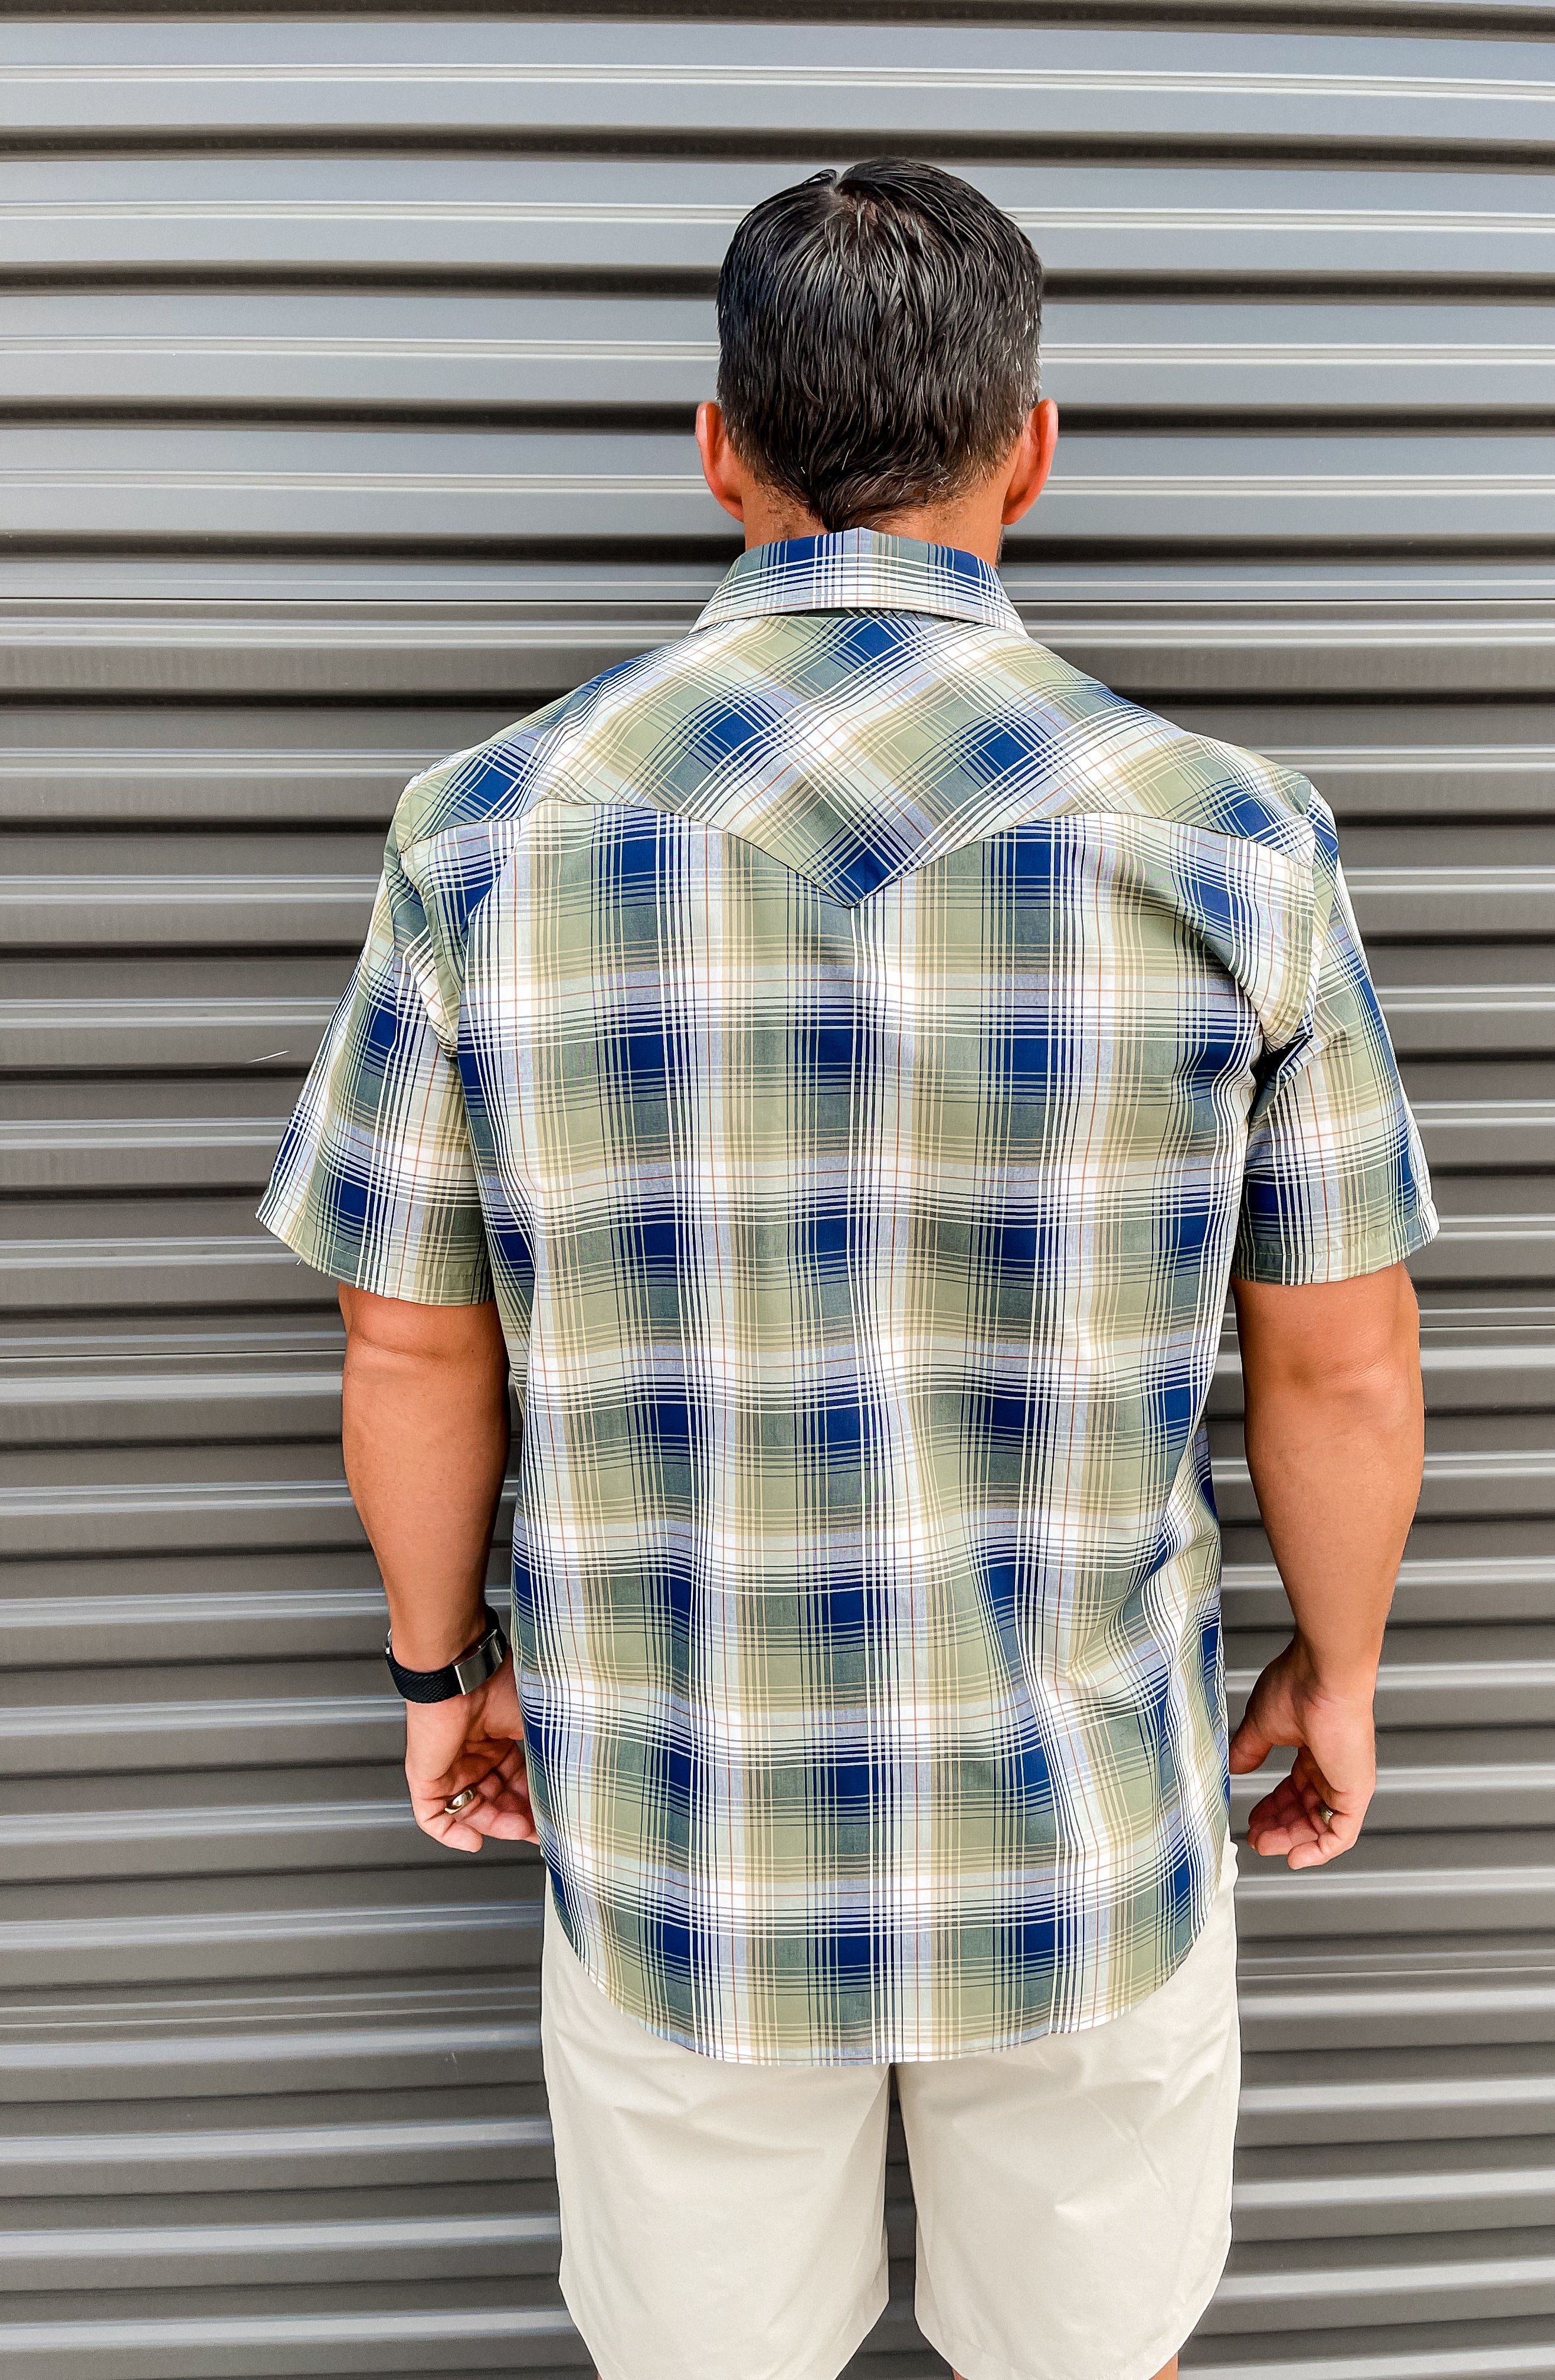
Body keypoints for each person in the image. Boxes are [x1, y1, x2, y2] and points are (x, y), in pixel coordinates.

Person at [260, 157, 1433, 2380]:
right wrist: (1338, 1676)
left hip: (682, 1827)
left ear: (720, 447)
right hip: (1088, 1822)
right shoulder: (1233, 839)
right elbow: (1347, 1354)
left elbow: (408, 1334)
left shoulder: (486, 833)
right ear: (1032, 447)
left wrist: (441, 1673)